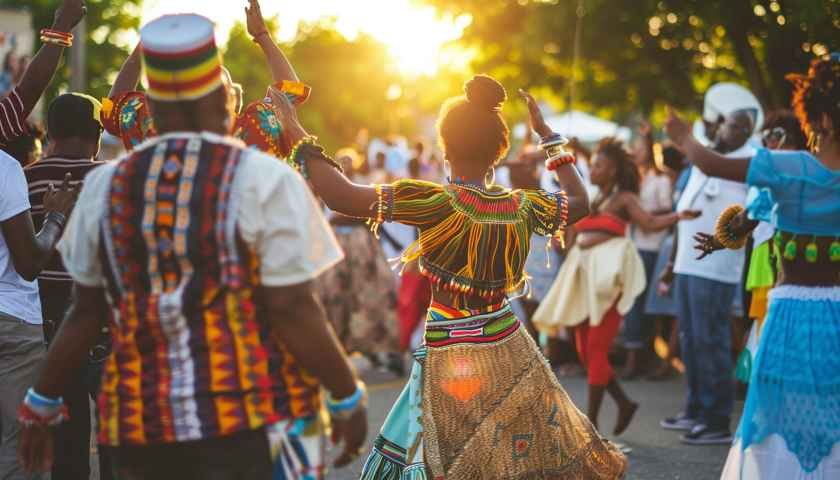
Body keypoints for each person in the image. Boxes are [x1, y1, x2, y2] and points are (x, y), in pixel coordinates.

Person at [16, 14, 366, 480]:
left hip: (139, 429)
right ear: (225, 98)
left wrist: (40, 403)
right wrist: (347, 395)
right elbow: (293, 308)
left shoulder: (108, 185)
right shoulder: (265, 177)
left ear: (150, 105)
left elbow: (87, 312)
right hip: (245, 422)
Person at [268, 75, 627, 478]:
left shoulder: (434, 201)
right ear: (499, 151)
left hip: (451, 353)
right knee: (510, 462)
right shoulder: (521, 206)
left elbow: (341, 194)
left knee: (451, 463)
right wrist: (549, 138)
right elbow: (580, 201)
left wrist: (294, 129)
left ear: (444, 146)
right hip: (509, 345)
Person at [666, 53, 840, 480]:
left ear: (819, 120)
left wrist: (683, 136)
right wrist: (726, 236)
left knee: (779, 412)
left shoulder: (791, 166)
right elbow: (748, 215)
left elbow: (711, 163)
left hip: (791, 314)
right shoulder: (792, 166)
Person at [534, 137, 698, 436]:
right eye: (593, 164)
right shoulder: (593, 199)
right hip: (581, 279)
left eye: (598, 165)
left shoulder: (624, 199)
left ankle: (591, 424)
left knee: (595, 352)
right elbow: (573, 234)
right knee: (585, 354)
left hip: (608, 281)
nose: (592, 169)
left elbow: (648, 222)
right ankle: (624, 403)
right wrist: (564, 241)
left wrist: (678, 216)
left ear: (613, 170)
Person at [0, 2, 86, 479]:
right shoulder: (6, 169)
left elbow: (26, 91)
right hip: (12, 325)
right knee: (18, 453)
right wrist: (54, 216)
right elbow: (30, 262)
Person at [659, 101, 761, 445]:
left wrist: (685, 136)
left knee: (710, 340)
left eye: (732, 125)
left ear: (746, 131)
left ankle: (715, 419)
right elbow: (684, 212)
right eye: (722, 124)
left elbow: (750, 218)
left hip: (716, 269)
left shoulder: (747, 160)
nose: (722, 129)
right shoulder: (708, 157)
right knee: (689, 340)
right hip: (688, 264)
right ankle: (694, 409)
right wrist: (672, 266)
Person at [23, 93, 112, 480]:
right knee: (117, 440)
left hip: (49, 325)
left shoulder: (26, 178)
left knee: (68, 448)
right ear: (96, 135)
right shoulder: (114, 179)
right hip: (108, 324)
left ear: (52, 134)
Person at [103, 0, 307, 157]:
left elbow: (110, 109)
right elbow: (291, 92)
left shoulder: (150, 127)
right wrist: (263, 36)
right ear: (230, 99)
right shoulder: (252, 130)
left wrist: (147, 46)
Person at [318, 148, 400, 366]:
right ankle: (340, 350)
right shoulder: (325, 187)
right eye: (342, 162)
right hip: (337, 247)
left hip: (362, 247)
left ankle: (380, 349)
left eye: (349, 161)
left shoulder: (363, 185)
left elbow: (370, 214)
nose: (346, 165)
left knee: (372, 295)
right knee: (336, 296)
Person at [623, 121, 674, 379]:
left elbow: (669, 208)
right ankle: (635, 358)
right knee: (633, 302)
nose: (636, 151)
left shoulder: (660, 178)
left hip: (653, 245)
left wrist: (643, 215)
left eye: (641, 147)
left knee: (648, 305)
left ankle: (647, 357)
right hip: (633, 245)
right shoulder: (634, 180)